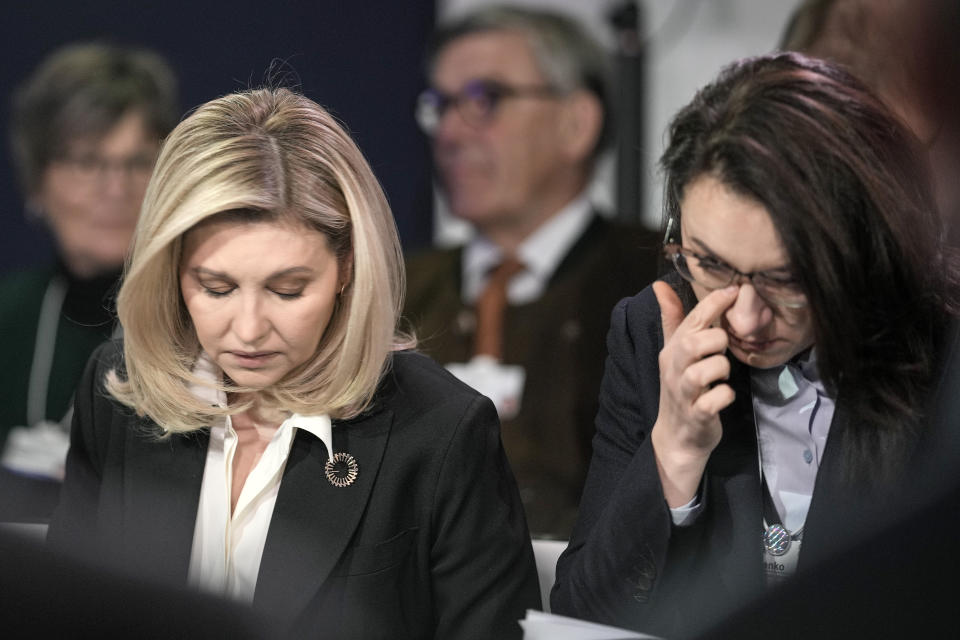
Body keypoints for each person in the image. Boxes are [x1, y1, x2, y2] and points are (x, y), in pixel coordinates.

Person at [47, 87, 540, 638]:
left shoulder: (443, 431)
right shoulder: (119, 390)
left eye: (287, 290)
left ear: (348, 267)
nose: (250, 328)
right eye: (216, 287)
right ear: (170, 269)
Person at [551, 52, 958, 637]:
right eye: (711, 264)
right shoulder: (655, 332)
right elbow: (579, 621)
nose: (745, 317)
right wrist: (674, 451)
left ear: (864, 250)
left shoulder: (943, 346)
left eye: (786, 279)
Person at [404, 5, 659, 539]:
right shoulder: (394, 289)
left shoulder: (658, 280)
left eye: (483, 100)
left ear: (576, 123)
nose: (449, 131)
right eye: (440, 105)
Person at [0, 42, 178, 496]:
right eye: (86, 162)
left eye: (138, 162)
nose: (115, 188)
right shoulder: (9, 315)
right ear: (37, 181)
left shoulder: (205, 321)